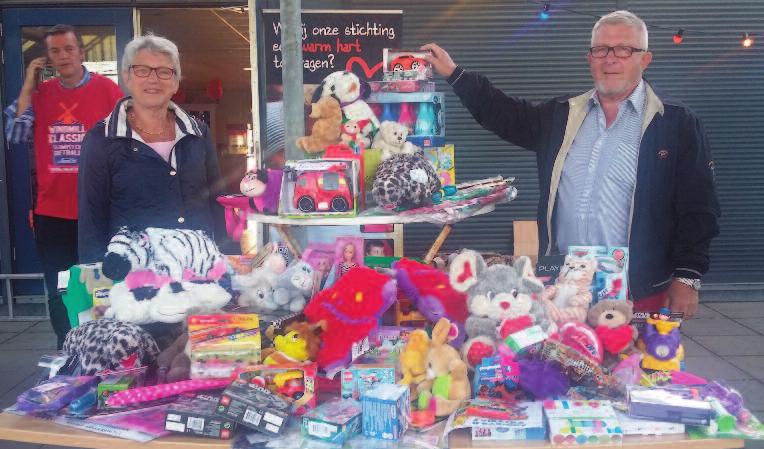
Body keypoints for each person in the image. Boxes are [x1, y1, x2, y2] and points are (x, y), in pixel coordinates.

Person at [422, 10, 720, 319]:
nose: (611, 58)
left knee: (640, 365)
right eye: (601, 49)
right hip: (564, 286)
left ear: (644, 59)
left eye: (624, 49)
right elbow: (503, 114)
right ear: (589, 58)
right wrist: (455, 74)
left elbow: (699, 206)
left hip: (639, 289)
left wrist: (687, 277)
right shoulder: (562, 116)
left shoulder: (676, 123)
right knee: (565, 363)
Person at [3, 24, 123, 348]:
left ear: (81, 52)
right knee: (62, 287)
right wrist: (29, 82)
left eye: (68, 49)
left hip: (99, 210)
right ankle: (66, 348)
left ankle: (104, 349)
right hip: (53, 215)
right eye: (55, 51)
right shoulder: (40, 95)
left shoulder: (108, 91)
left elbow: (126, 143)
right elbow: (15, 133)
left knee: (102, 284)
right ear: (48, 58)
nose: (63, 56)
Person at [78, 34, 227, 263]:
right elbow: (92, 217)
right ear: (127, 76)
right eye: (142, 70)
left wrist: (223, 257)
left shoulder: (198, 133)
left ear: (176, 82)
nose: (153, 79)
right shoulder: (102, 139)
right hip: (134, 273)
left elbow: (216, 200)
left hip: (197, 267)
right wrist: (98, 278)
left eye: (164, 71)